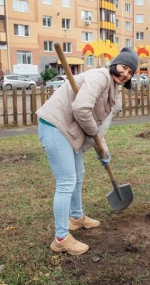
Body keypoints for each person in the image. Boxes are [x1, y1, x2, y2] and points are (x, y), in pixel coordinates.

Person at [36, 47, 139, 255]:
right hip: (55, 125)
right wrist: (93, 135)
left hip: (68, 130)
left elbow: (99, 126)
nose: (125, 74)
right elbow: (81, 109)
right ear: (115, 64)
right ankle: (61, 238)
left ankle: (76, 217)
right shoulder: (100, 77)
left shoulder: (112, 89)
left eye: (130, 72)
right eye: (124, 67)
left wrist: (104, 150)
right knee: (66, 181)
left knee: (78, 175)